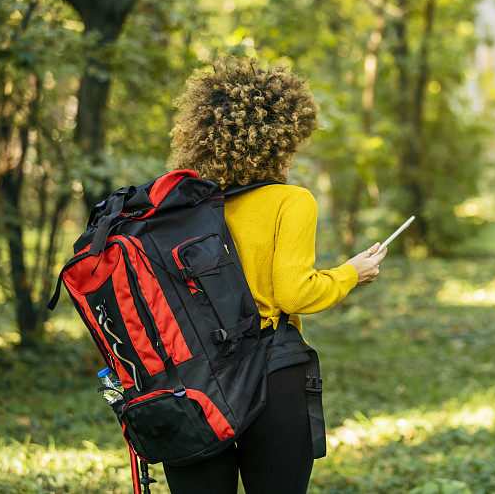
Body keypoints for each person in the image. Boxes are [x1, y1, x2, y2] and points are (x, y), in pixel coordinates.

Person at [163, 55, 387, 493]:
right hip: (271, 374)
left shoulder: (177, 206)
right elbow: (294, 294)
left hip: (188, 383)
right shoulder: (291, 201)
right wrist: (350, 273)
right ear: (282, 139)